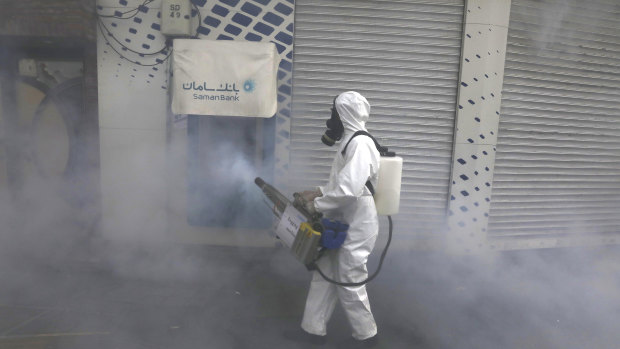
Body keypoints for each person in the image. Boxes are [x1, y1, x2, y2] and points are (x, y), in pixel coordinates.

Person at [296, 91, 381, 346]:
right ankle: (312, 331)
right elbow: (342, 183)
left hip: (358, 222)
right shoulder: (350, 142)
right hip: (343, 217)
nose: (331, 120)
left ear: (344, 114)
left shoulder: (360, 144)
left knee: (349, 279)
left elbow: (349, 190)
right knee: (324, 273)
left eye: (334, 113)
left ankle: (367, 338)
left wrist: (316, 204)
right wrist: (319, 191)